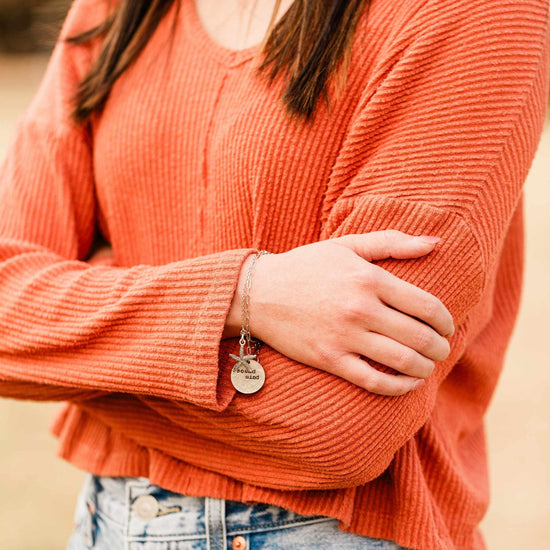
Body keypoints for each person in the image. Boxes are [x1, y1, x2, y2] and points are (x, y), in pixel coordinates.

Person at [0, 0, 548, 548]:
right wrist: (246, 294)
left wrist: (72, 333)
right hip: (106, 523)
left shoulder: (480, 13)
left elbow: (339, 427)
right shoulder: (118, 8)